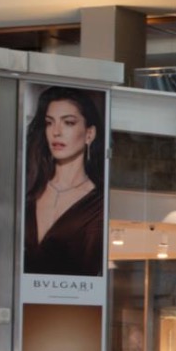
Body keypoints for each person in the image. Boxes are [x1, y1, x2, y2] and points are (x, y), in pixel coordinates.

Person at [22, 86, 105, 276]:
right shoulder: (29, 188)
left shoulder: (99, 203)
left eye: (68, 123)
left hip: (73, 304)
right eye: (49, 123)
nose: (56, 132)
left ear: (89, 134)